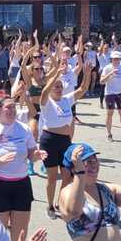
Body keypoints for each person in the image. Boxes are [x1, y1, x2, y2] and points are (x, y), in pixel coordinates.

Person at [0, 93, 48, 241]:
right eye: (9, 107)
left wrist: (37, 155)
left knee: (20, 229)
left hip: (21, 183)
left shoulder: (24, 129)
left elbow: (31, 153)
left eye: (14, 107)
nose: (13, 110)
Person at [38, 61, 93, 218]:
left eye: (60, 86)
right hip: (49, 140)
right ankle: (49, 206)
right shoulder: (47, 102)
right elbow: (43, 94)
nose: (59, 89)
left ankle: (60, 202)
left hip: (65, 141)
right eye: (56, 86)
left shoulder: (67, 99)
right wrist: (55, 75)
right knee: (52, 176)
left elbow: (83, 89)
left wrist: (87, 73)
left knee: (67, 174)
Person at [99, 49, 121, 141]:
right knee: (109, 114)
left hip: (120, 93)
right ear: (111, 59)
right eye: (115, 59)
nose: (116, 61)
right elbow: (101, 81)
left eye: (118, 59)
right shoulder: (107, 68)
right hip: (110, 93)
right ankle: (109, 134)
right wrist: (110, 74)